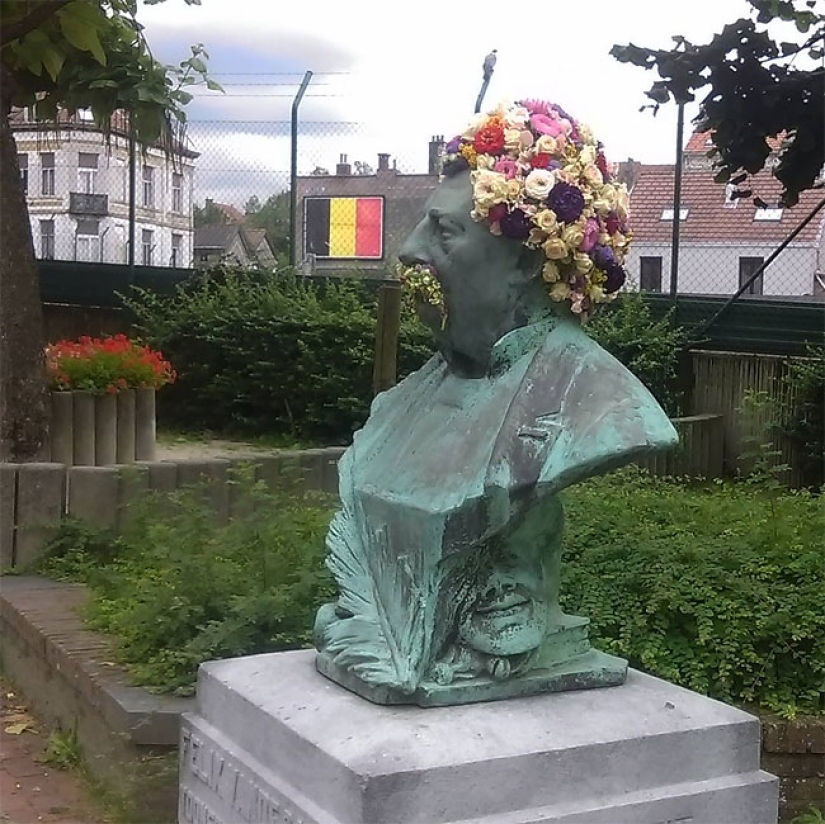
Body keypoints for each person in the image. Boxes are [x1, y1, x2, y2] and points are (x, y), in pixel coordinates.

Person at [314, 99, 678, 706]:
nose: (408, 250)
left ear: (526, 262)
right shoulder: (413, 393)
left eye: (445, 232)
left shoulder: (596, 400)